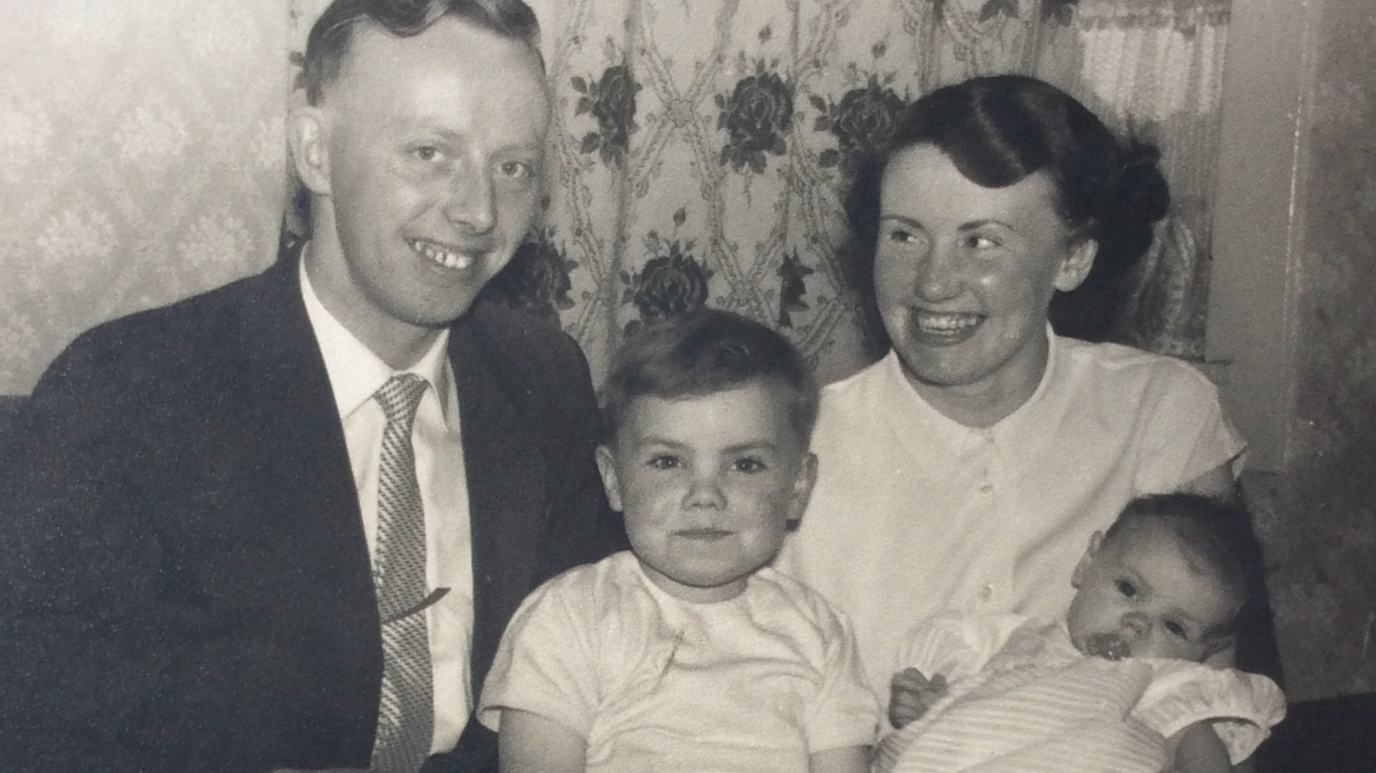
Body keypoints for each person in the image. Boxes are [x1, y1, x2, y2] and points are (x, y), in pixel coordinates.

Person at [0, 1, 622, 771]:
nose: (478, 210)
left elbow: (610, 683)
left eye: (514, 166)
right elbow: (43, 734)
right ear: (315, 152)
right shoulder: (128, 395)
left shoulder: (544, 380)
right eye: (430, 152)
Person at [774, 74, 1250, 700]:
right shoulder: (793, 446)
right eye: (905, 234)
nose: (934, 281)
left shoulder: (1161, 413)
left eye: (981, 241)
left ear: (1073, 260)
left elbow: (1215, 708)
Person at [476, 309, 880, 773]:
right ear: (612, 479)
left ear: (797, 487)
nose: (705, 496)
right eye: (668, 462)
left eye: (745, 464)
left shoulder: (819, 634)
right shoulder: (570, 616)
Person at [874, 493, 1285, 773]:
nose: (1137, 624)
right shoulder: (1004, 641)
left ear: (1203, 652)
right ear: (1088, 563)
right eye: (1129, 590)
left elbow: (1201, 755)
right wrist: (931, 705)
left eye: (1174, 626)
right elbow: (964, 716)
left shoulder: (1162, 681)